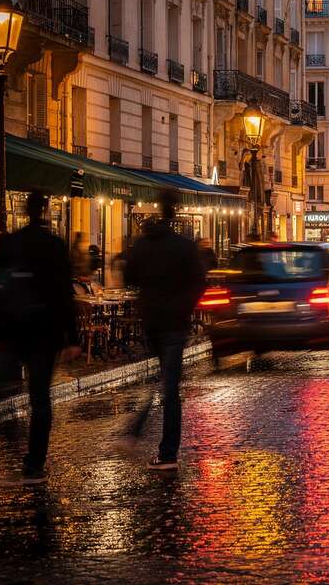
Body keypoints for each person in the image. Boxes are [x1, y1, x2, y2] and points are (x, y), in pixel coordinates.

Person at [0, 191, 80, 483]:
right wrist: (72, 337)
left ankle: (12, 443)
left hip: (13, 331)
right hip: (46, 334)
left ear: (25, 211)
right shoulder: (55, 246)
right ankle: (34, 463)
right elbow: (65, 294)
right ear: (47, 210)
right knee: (40, 400)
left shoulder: (11, 243)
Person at [121, 190, 208, 470]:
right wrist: (184, 306)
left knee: (164, 380)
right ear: (176, 212)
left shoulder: (143, 244)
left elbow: (129, 276)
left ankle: (140, 433)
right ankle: (167, 451)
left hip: (152, 320)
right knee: (169, 386)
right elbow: (199, 282)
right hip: (175, 322)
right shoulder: (184, 247)